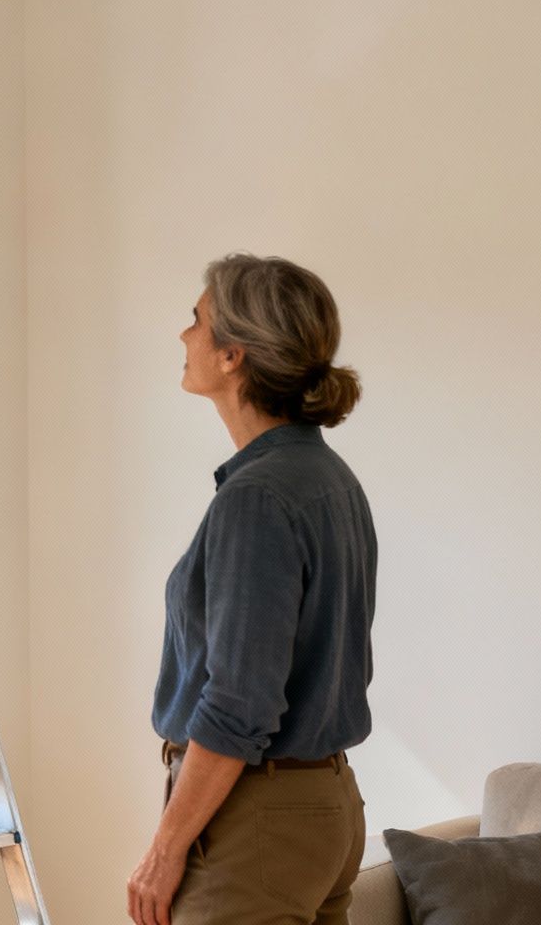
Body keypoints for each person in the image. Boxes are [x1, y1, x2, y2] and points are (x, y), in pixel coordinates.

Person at [127, 254, 376, 925]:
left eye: (196, 321)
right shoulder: (328, 478)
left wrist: (167, 847)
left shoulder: (259, 498)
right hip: (325, 806)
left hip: (258, 821)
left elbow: (239, 704)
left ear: (234, 355)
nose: (184, 337)